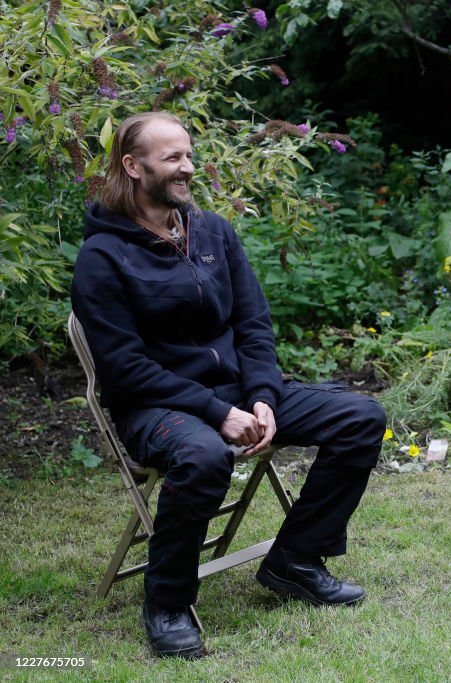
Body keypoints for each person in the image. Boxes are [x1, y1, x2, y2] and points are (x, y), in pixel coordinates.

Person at [71, 112, 386, 659]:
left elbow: (253, 325)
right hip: (158, 405)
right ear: (132, 165)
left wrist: (262, 396)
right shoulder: (103, 257)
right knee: (205, 456)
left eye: (189, 155)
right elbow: (125, 368)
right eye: (172, 158)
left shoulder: (212, 231)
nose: (187, 168)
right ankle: (167, 604)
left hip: (239, 390)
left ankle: (296, 560)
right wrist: (217, 412)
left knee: (361, 418)